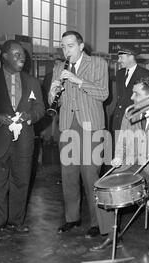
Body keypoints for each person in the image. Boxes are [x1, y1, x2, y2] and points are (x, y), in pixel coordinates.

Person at [91, 76, 149, 263]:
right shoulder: (130, 114)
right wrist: (118, 157)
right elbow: (123, 140)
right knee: (103, 189)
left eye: (136, 93)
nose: (132, 97)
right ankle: (111, 235)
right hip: (132, 166)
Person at [49, 31, 109, 238]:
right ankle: (72, 218)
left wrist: (77, 79)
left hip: (91, 127)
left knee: (91, 176)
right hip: (67, 126)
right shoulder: (58, 67)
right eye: (63, 47)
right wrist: (52, 93)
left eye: (71, 46)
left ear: (81, 46)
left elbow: (103, 93)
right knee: (69, 176)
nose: (66, 51)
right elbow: (52, 102)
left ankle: (97, 222)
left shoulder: (98, 63)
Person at [0, 40, 45, 237]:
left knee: (21, 181)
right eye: (16, 54)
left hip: (24, 141)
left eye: (23, 55)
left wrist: (30, 116)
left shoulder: (32, 82)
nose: (22, 58)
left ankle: (16, 221)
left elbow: (40, 108)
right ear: (4, 56)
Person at [110, 45, 149, 134]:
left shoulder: (146, 74)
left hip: (135, 121)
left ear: (131, 57)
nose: (119, 61)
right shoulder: (120, 73)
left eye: (121, 57)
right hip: (118, 120)